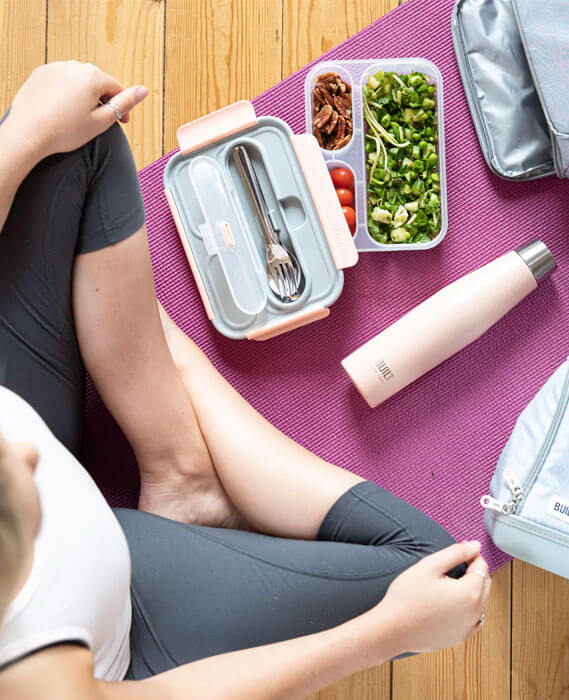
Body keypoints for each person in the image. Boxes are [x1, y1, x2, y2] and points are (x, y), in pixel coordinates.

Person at [0, 61, 491, 699]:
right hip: (122, 626)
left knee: (74, 134)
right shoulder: (34, 681)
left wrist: (24, 137)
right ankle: (169, 358)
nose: (25, 452)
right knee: (442, 577)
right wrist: (382, 632)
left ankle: (180, 471)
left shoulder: (20, 448)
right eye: (14, 479)